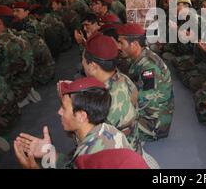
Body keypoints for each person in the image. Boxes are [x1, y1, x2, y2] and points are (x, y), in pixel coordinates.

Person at [13, 77, 149, 169]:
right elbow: (73, 164)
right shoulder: (105, 129)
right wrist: (48, 153)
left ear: (82, 116)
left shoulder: (92, 158)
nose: (59, 112)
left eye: (64, 108)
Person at [81, 32, 141, 153]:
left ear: (92, 66)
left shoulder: (103, 101)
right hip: (133, 145)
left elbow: (88, 143)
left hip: (121, 157)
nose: (82, 64)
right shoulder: (123, 78)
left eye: (83, 60)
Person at [116, 23, 175, 142]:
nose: (118, 46)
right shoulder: (140, 56)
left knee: (112, 128)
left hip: (154, 123)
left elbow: (145, 99)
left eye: (121, 43)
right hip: (149, 111)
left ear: (134, 45)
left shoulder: (149, 67)